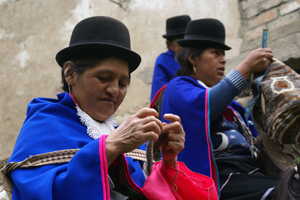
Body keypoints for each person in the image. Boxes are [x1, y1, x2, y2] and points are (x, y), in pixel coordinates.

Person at [5, 16, 219, 200]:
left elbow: (145, 189)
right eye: (104, 78)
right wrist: (109, 148)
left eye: (123, 83)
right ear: (69, 73)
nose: (115, 91)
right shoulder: (44, 124)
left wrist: (166, 157)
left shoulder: (117, 131)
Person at [160, 18, 278, 199]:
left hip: (249, 173)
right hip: (217, 180)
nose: (223, 59)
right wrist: (246, 68)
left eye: (223, 53)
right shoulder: (177, 87)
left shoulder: (234, 107)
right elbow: (207, 105)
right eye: (215, 52)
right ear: (192, 58)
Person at [150, 15, 191, 102]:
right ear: (168, 44)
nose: (185, 45)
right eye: (180, 40)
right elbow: (160, 95)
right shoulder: (163, 61)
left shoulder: (195, 59)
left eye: (187, 39)